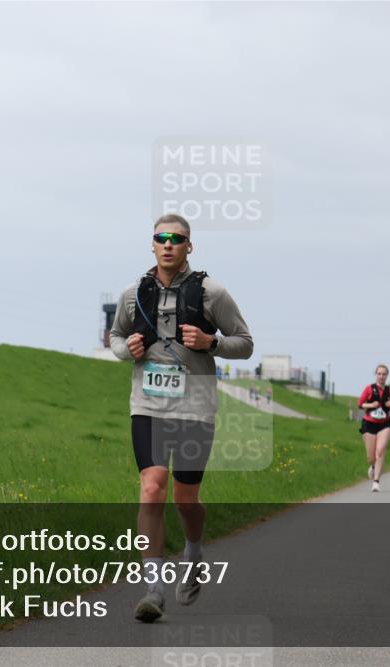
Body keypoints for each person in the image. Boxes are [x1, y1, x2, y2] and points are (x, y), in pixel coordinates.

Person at [110, 213, 253, 622]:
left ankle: (193, 552)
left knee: (184, 499)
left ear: (190, 245)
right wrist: (126, 350)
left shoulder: (212, 293)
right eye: (162, 238)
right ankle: (153, 590)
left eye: (177, 238)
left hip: (195, 408)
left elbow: (245, 343)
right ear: (152, 244)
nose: (169, 244)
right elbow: (116, 337)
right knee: (151, 488)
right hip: (148, 406)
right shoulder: (133, 294)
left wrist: (212, 343)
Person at [357, 364, 390, 492]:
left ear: (387, 376)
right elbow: (360, 404)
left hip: (384, 424)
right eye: (379, 374)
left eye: (384, 374)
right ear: (376, 375)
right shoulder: (369, 388)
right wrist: (371, 405)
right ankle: (373, 466)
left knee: (380, 451)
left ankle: (376, 482)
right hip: (369, 423)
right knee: (371, 457)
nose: (381, 376)